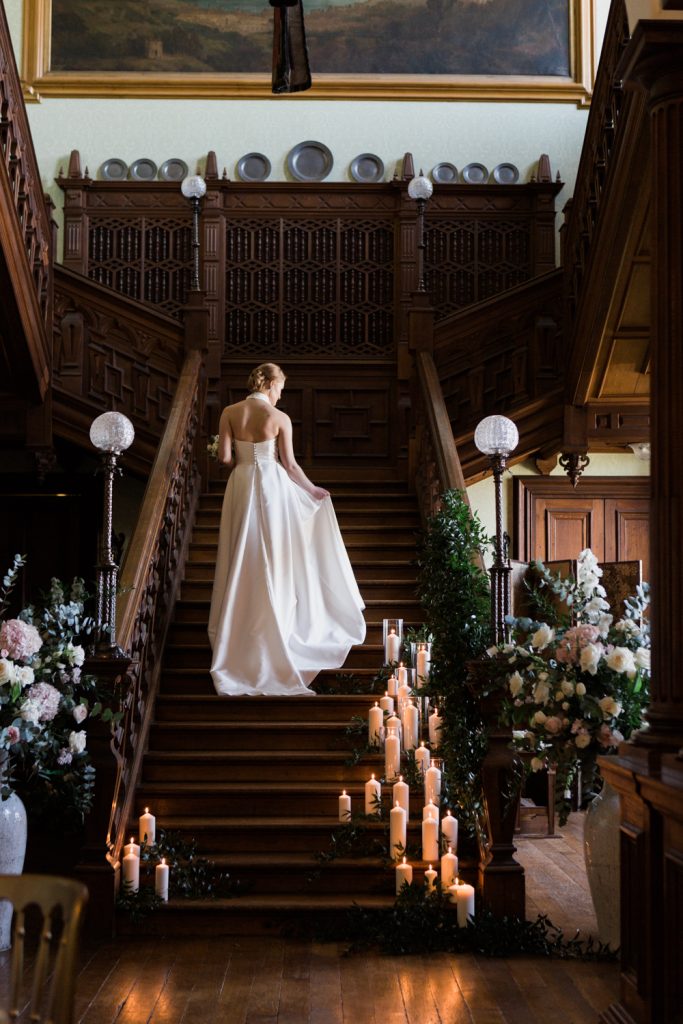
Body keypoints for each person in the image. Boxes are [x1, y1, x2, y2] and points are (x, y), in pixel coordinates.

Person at [207, 363, 366, 696]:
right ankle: (276, 619)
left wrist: (238, 455)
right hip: (271, 487)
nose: (280, 395)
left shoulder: (229, 412)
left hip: (241, 483)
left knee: (242, 550)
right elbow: (290, 465)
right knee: (273, 554)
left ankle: (238, 626)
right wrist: (313, 490)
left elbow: (224, 459)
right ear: (269, 384)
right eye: (279, 388)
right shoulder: (279, 418)